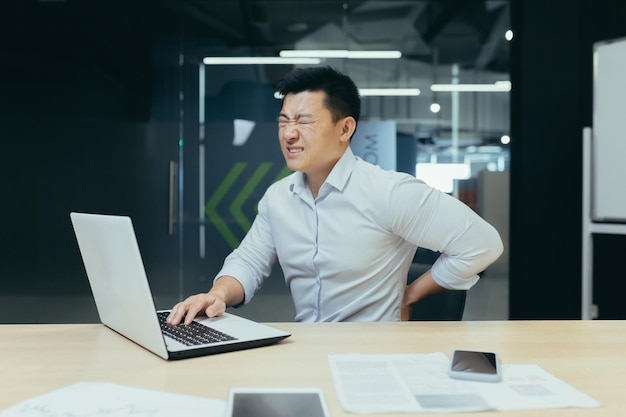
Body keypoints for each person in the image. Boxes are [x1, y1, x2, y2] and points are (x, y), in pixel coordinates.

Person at [167, 66, 503, 324]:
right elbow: (250, 260)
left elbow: (483, 244)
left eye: (304, 121)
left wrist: (412, 295)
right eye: (283, 121)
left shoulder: (388, 192)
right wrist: (217, 294)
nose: (289, 133)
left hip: (375, 357)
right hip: (306, 353)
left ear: (345, 129)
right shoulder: (278, 198)